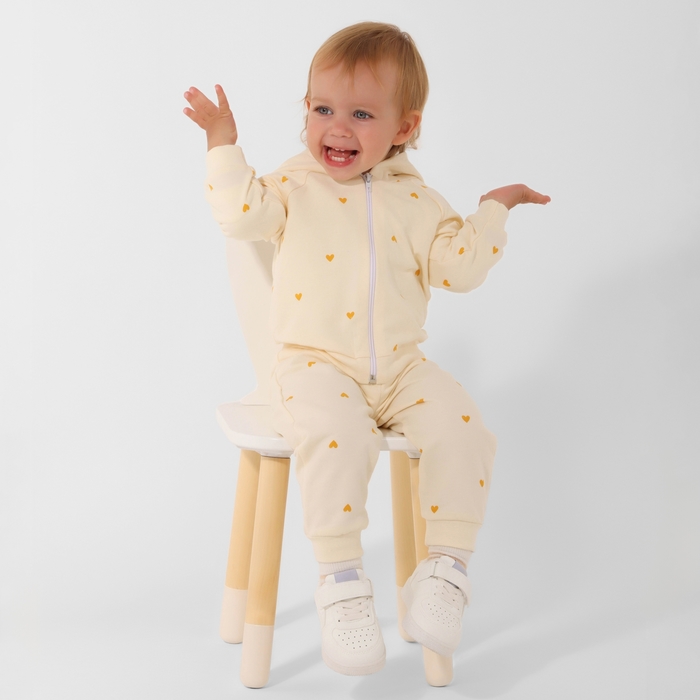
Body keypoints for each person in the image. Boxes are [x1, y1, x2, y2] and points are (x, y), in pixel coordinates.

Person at [184, 21, 549, 677]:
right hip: (314, 365)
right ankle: (343, 583)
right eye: (322, 109)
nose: (337, 128)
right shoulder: (290, 188)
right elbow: (238, 215)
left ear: (405, 127)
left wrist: (492, 210)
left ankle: (445, 573)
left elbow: (460, 269)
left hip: (402, 368)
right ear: (305, 110)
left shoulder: (419, 202)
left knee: (465, 428)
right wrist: (223, 143)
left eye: (361, 114)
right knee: (337, 436)